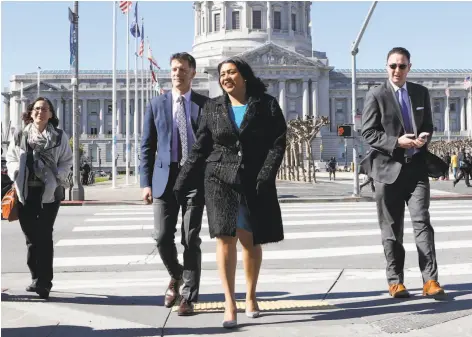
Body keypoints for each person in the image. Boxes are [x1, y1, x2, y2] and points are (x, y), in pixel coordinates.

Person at [174, 57, 287, 328]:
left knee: (249, 240)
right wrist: (181, 180)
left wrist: (266, 174)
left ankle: (250, 295)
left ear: (244, 76)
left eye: (231, 72)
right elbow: (201, 147)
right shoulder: (212, 107)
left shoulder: (266, 104)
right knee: (224, 239)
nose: (226, 77)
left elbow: (278, 141)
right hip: (219, 179)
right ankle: (229, 302)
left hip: (253, 180)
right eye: (222, 73)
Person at [361, 47, 445, 300]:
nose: (397, 70)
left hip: (416, 167)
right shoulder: (376, 94)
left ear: (409, 67)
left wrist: (423, 137)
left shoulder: (421, 92)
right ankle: (395, 281)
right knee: (392, 229)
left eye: (402, 66)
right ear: (386, 67)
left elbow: (428, 124)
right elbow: (368, 132)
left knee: (422, 224)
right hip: (387, 170)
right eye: (393, 66)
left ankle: (430, 280)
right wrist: (397, 142)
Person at [140, 52, 209, 315]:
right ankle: (176, 274)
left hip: (194, 177)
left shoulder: (206, 105)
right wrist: (145, 183)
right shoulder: (157, 104)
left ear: (193, 72)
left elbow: (213, 145)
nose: (177, 73)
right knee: (161, 236)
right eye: (174, 69)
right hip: (164, 177)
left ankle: (188, 297)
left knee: (190, 237)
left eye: (182, 69)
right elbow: (147, 146)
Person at [6, 97, 73, 299]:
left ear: (51, 114)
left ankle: (45, 282)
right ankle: (35, 277)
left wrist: (58, 176)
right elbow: (11, 157)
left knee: (44, 236)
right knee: (30, 238)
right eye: (36, 108)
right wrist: (17, 171)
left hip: (50, 193)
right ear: (31, 112)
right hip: (25, 192)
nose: (40, 112)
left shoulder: (59, 136)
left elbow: (67, 160)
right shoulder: (20, 134)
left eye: (44, 109)